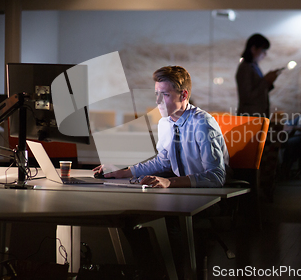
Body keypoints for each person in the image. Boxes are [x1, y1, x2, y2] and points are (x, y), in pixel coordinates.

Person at [94, 65, 228, 188]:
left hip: (209, 196)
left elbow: (216, 177)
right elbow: (163, 162)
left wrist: (170, 182)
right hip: (184, 191)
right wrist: (124, 172)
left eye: (165, 95)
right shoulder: (165, 123)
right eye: (156, 94)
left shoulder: (203, 123)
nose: (158, 102)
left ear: (184, 95)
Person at [236, 33, 283, 117]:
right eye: (263, 51)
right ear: (254, 49)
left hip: (256, 116)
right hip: (250, 117)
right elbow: (247, 97)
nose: (265, 54)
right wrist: (266, 81)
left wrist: (269, 82)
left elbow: (257, 91)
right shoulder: (245, 68)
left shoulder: (254, 66)